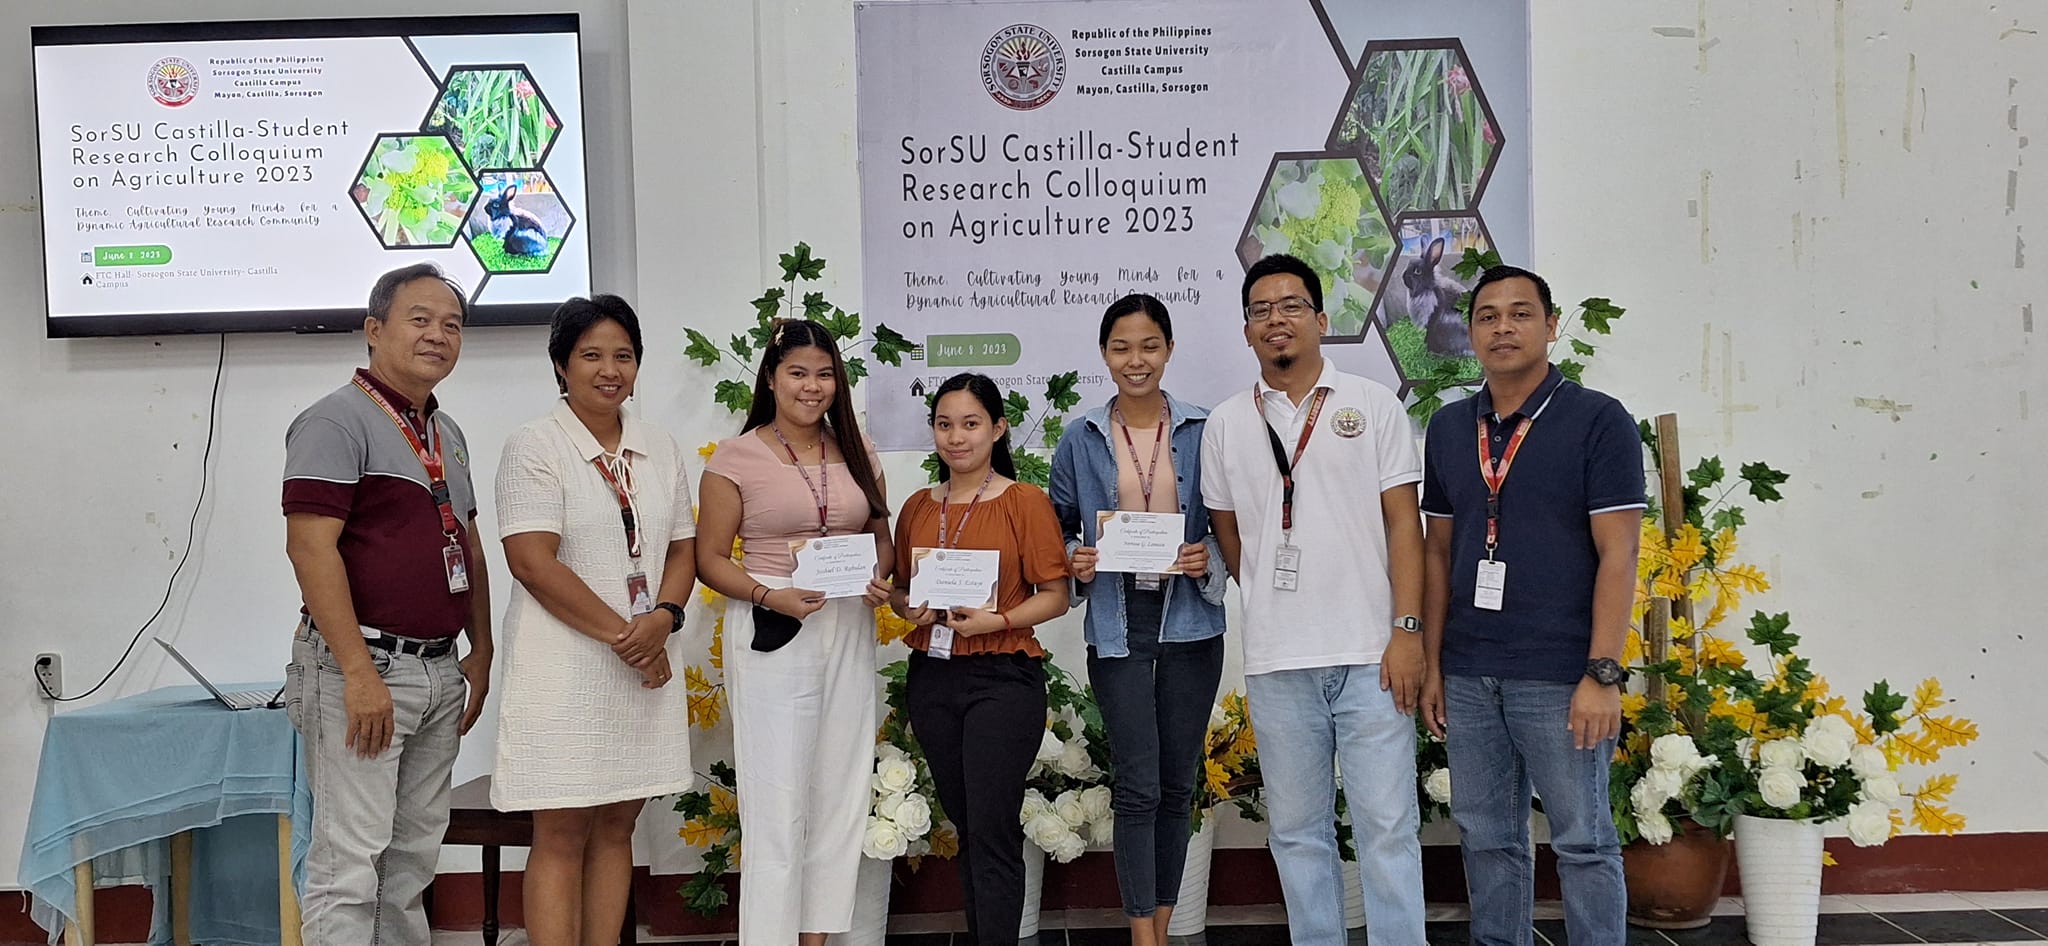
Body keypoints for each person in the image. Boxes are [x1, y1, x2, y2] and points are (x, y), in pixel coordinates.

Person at [1200, 253, 1428, 946]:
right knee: (1298, 834)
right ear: (1246, 330)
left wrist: (1408, 630)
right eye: (1261, 310)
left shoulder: (1372, 404)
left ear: (1322, 320)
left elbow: (1404, 525)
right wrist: (1267, 594)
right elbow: (1229, 531)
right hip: (1278, 662)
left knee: (1387, 827)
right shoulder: (1226, 423)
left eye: (1291, 305)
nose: (1277, 319)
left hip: (1372, 654)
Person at [1419, 265, 1644, 946]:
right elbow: (1437, 554)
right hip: (1469, 670)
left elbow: (1620, 555)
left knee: (1583, 840)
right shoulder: (1450, 428)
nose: (1503, 328)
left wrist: (1602, 673)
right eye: (1487, 316)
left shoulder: (1598, 421)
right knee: (1488, 838)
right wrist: (1433, 664)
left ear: (1550, 326)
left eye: (1520, 314)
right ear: (1470, 333)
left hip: (1561, 672)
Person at [282, 262, 493, 946]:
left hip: (438, 670)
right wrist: (357, 672)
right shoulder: (333, 421)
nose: (438, 335)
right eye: (420, 319)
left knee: (409, 865)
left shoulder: (446, 432)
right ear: (374, 330)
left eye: (452, 324)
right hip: (367, 668)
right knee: (349, 866)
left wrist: (482, 650)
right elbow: (310, 549)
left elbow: (468, 544)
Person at [493, 294, 700, 946]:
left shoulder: (659, 446)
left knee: (618, 825)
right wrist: (631, 638)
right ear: (561, 364)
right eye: (591, 356)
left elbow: (683, 548)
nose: (610, 370)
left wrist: (664, 617)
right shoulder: (535, 444)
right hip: (563, 667)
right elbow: (532, 562)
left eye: (624, 355)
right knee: (560, 831)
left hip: (643, 662)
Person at [696, 318, 895, 945]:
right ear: (771, 378)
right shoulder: (736, 457)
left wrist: (878, 576)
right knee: (777, 799)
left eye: (825, 374)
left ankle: (817, 939)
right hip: (773, 624)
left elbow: (882, 539)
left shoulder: (857, 449)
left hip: (847, 623)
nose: (813, 386)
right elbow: (710, 558)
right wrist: (769, 594)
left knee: (839, 791)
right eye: (798, 373)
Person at [1048, 294, 1226, 945]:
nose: (1136, 360)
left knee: (1177, 786)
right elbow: (1057, 528)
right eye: (1121, 347)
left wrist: (1208, 557)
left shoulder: (1205, 431)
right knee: (1138, 784)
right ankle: (1141, 935)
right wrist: (1077, 557)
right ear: (1104, 354)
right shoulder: (1082, 436)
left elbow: (1233, 525)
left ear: (1169, 349)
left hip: (1191, 623)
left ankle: (1162, 925)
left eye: (1149, 345)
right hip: (1117, 622)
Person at [890, 373, 1071, 946]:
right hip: (933, 675)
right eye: (944, 425)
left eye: (970, 424)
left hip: (1003, 675)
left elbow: (1056, 595)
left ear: (997, 429)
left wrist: (998, 620)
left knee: (992, 828)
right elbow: (902, 591)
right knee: (966, 824)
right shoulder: (918, 506)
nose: (956, 437)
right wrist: (907, 607)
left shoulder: (1025, 501)